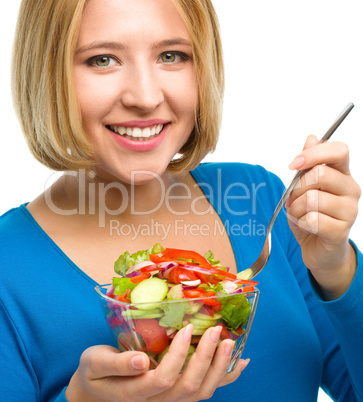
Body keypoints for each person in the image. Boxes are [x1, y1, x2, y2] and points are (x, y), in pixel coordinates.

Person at [0, 0, 362, 401]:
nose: (145, 96)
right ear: (46, 73)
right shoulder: (8, 266)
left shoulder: (260, 198)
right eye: (102, 60)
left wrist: (337, 269)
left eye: (171, 56)